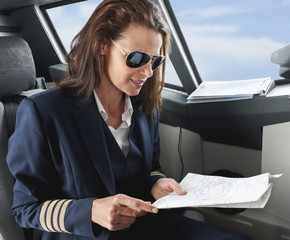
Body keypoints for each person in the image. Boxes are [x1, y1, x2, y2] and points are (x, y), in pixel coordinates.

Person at [6, 0, 251, 239]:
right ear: (102, 45)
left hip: (148, 224)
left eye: (155, 61)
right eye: (137, 58)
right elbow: (26, 209)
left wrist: (157, 182)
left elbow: (152, 167)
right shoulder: (43, 111)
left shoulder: (146, 107)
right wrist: (90, 210)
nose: (148, 72)